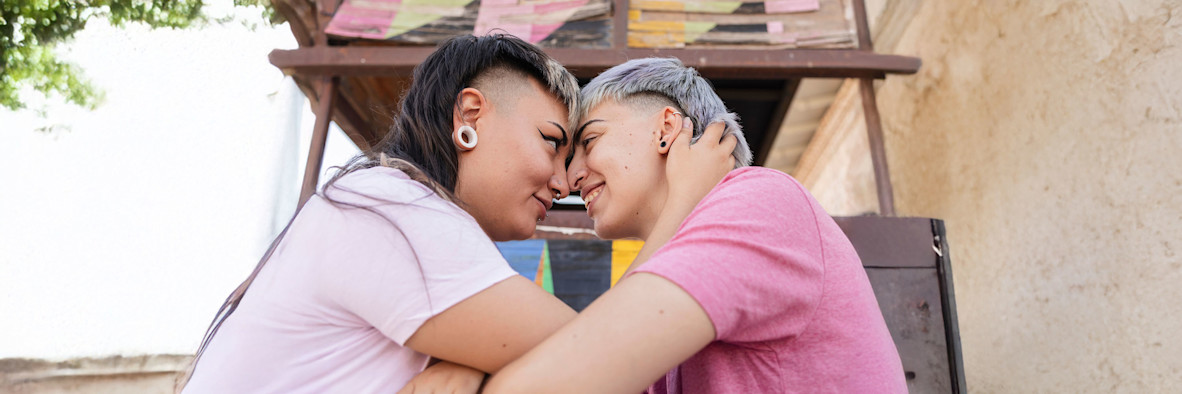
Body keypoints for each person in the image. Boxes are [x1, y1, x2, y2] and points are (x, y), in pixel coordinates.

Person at [484, 57, 907, 393]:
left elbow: (557, 381)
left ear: (667, 129)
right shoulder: (695, 246)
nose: (571, 178)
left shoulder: (758, 200)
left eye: (589, 141)